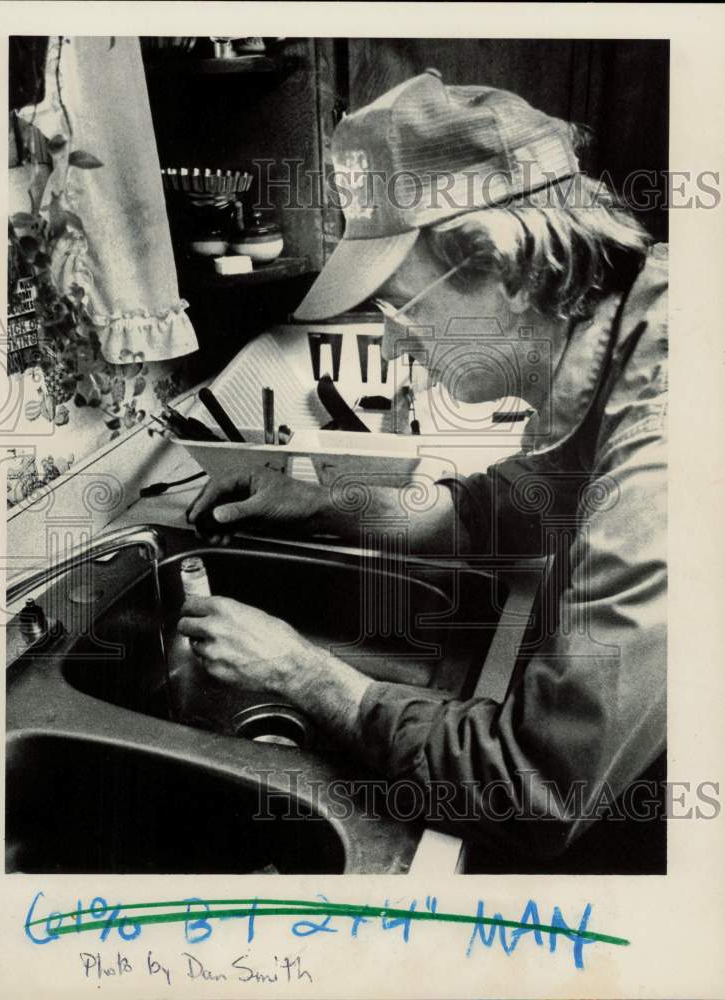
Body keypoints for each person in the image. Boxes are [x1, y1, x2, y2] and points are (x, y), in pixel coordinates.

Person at [178, 71, 668, 872]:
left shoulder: (665, 433)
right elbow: (500, 513)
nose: (396, 343)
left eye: (401, 305)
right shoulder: (625, 335)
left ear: (499, 264)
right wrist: (324, 499)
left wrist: (305, 675)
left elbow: (535, 787)